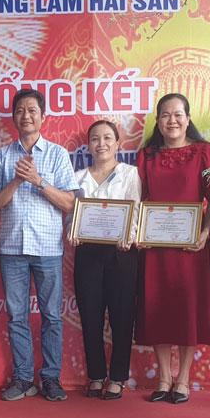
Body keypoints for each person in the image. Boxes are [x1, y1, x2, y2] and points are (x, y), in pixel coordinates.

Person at [0, 88, 78, 401]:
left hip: (48, 249)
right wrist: (17, 181)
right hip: (11, 250)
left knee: (51, 317)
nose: (26, 116)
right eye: (20, 110)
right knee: (17, 317)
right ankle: (23, 378)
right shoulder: (1, 156)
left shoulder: (57, 154)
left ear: (43, 116)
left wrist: (39, 180)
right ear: (13, 117)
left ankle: (51, 378)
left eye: (32, 110)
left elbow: (69, 203)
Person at [136, 92, 210, 404]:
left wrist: (205, 231)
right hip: (155, 249)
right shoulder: (146, 156)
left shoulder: (204, 152)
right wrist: (139, 232)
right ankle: (163, 377)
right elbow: (137, 200)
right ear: (158, 121)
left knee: (189, 312)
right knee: (158, 310)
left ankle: (183, 379)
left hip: (192, 248)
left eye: (178, 114)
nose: (171, 120)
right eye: (165, 115)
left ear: (188, 119)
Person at [69, 120, 140, 400]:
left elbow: (135, 209)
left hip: (121, 253)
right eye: (95, 139)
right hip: (88, 252)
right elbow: (72, 214)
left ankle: (118, 377)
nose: (102, 144)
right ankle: (96, 375)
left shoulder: (130, 173)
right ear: (88, 145)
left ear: (118, 143)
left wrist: (129, 237)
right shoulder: (78, 177)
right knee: (91, 316)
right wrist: (73, 233)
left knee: (122, 316)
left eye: (108, 138)